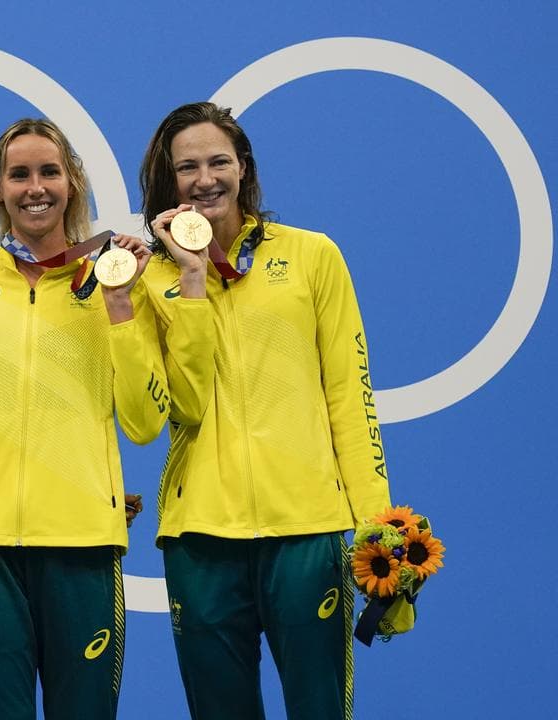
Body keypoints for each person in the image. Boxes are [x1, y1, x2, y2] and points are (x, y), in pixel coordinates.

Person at [0, 118, 215, 719]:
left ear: (74, 182)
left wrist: (117, 307)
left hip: (84, 546)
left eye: (50, 172)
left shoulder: (118, 282)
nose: (36, 187)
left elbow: (144, 421)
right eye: (20, 174)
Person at [136, 102, 393, 720]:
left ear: (243, 168)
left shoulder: (313, 257)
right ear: (167, 183)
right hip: (200, 538)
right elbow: (178, 408)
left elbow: (350, 402)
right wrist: (191, 282)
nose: (205, 179)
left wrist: (378, 530)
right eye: (187, 167)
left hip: (305, 531)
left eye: (219, 161)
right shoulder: (147, 281)